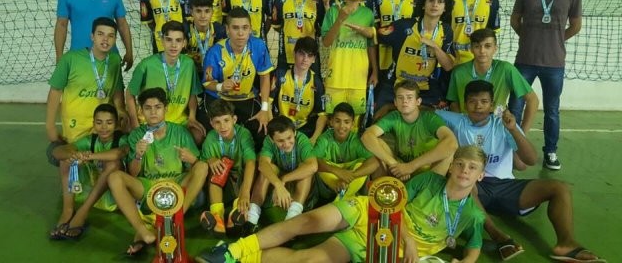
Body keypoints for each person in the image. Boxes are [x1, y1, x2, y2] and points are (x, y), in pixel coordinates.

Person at [198, 145, 487, 263]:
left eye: (472, 168)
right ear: (450, 168)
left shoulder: (472, 214)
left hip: (385, 245)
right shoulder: (427, 182)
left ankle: (245, 257)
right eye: (460, 164)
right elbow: (393, 204)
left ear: (481, 175)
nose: (464, 171)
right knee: (306, 221)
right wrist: (409, 239)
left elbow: (473, 246)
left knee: (309, 260)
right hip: (372, 213)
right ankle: (232, 251)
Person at [437, 80, 606, 262]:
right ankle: (499, 237)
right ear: (465, 104)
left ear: (492, 104)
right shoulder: (456, 120)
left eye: (484, 102)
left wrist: (513, 130)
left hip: (505, 185)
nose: (478, 106)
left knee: (559, 188)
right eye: (472, 101)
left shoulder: (503, 123)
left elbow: (531, 160)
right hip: (475, 186)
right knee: (463, 182)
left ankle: (566, 244)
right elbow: (424, 113)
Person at [108, 87, 208, 256]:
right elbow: (133, 174)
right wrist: (138, 155)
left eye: (158, 107)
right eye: (148, 108)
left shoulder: (180, 132)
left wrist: (192, 160)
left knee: (202, 166)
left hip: (177, 185)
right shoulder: (136, 136)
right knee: (114, 177)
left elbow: (196, 168)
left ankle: (177, 218)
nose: (153, 112)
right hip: (148, 187)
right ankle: (143, 231)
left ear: (165, 109)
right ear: (141, 110)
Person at [508, 0, 583, 171]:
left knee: (552, 109)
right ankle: (511, 147)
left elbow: (576, 25)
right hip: (525, 61)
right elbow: (514, 21)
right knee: (515, 105)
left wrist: (557, 40)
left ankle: (550, 151)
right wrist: (529, 38)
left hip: (554, 64)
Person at [48, 104, 128, 240]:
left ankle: (81, 214)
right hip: (87, 191)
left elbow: (118, 154)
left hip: (112, 199)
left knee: (113, 164)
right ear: (93, 124)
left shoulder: (123, 139)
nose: (103, 127)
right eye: (99, 123)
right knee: (65, 160)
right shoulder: (90, 140)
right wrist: (74, 155)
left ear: (116, 124)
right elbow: (57, 152)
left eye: (109, 123)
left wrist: (88, 156)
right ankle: (67, 211)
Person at [46, 17, 126, 146]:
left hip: (103, 125)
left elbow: (117, 89)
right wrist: (50, 127)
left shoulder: (115, 60)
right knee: (73, 161)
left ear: (115, 39)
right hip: (77, 125)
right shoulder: (70, 59)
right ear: (92, 37)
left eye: (110, 36)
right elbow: (55, 91)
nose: (105, 39)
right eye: (100, 34)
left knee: (105, 160)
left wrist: (120, 109)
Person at [375, 0, 454, 114]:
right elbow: (377, 34)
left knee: (431, 122)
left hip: (425, 88)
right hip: (396, 84)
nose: (435, 4)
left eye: (440, 1)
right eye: (431, 0)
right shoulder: (404, 25)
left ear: (445, 8)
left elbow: (448, 66)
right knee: (378, 117)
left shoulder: (446, 31)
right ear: (423, 5)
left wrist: (435, 47)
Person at [202, 7, 274, 145]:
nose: (241, 33)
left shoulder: (258, 46)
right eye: (235, 28)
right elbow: (207, 83)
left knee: (262, 131)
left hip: (246, 98)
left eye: (245, 27)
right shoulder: (215, 51)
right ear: (227, 29)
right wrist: (220, 86)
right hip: (220, 99)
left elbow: (265, 78)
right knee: (215, 133)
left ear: (250, 29)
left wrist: (265, 109)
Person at [126, 21, 206, 144]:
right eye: (169, 40)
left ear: (184, 43)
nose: (173, 45)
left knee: (197, 136)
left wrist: (192, 117)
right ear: (162, 40)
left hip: (179, 120)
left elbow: (192, 94)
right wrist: (134, 123)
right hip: (150, 121)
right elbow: (129, 94)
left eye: (178, 40)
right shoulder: (146, 65)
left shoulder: (188, 64)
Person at [447, 28, 539, 133]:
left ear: (495, 48)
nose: (482, 51)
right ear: (471, 48)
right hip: (468, 126)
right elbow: (454, 104)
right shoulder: (459, 72)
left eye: (487, 46)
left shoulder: (506, 69)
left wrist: (522, 133)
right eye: (477, 46)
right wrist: (459, 128)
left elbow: (533, 100)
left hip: (497, 126)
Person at [361, 80, 457, 180]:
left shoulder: (430, 118)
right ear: (395, 102)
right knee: (377, 144)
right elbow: (367, 136)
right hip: (400, 168)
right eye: (400, 97)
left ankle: (429, 190)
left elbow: (452, 143)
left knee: (448, 153)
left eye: (409, 97)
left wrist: (411, 166)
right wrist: (394, 164)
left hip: (427, 171)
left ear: (418, 101)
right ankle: (384, 188)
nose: (404, 101)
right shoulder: (393, 117)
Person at [243, 116, 317, 232]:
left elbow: (313, 166)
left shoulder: (302, 140)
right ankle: (251, 220)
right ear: (272, 140)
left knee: (306, 169)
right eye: (280, 141)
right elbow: (262, 164)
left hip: (297, 181)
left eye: (289, 138)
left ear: (295, 133)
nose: (287, 144)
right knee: (267, 168)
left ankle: (292, 219)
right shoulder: (268, 141)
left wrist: (283, 180)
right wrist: (278, 185)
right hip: (278, 179)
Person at [321, 0, 378, 120]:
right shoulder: (333, 11)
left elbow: (371, 45)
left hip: (358, 78)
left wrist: (375, 71)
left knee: (354, 122)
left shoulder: (368, 15)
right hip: (336, 77)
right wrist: (340, 20)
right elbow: (326, 42)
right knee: (333, 120)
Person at [200, 99, 257, 236]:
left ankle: (236, 212)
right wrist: (210, 160)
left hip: (239, 177)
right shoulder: (211, 138)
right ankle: (217, 215)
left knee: (248, 172)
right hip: (221, 181)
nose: (223, 126)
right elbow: (201, 162)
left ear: (234, 119)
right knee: (214, 172)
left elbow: (250, 162)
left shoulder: (243, 134)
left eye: (226, 120)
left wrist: (245, 192)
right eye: (217, 122)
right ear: (211, 124)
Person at [313, 102, 378, 201]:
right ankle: (341, 200)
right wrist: (338, 171)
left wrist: (349, 176)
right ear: (331, 122)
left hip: (351, 183)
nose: (342, 126)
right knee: (318, 164)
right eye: (337, 121)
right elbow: (313, 160)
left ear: (352, 124)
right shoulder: (324, 139)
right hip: (330, 185)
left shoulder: (356, 140)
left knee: (361, 165)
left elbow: (374, 162)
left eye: (346, 122)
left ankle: (340, 200)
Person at [271, 0, 325, 72]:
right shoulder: (280, 0)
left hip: (310, 59)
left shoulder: (319, 0)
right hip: (286, 58)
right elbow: (277, 27)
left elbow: (323, 28)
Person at [271, 37, 327, 143]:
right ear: (294, 54)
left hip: (304, 130)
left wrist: (314, 138)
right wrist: (271, 131)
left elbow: (322, 115)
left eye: (309, 55)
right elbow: (267, 104)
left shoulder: (316, 83)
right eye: (302, 54)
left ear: (314, 59)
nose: (305, 59)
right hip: (281, 127)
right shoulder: (280, 75)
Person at [373, 0, 416, 86]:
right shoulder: (379, 0)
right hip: (383, 54)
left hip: (405, 54)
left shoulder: (415, 1)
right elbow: (375, 28)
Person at [186, 0, 227, 75]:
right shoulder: (185, 30)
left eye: (207, 11)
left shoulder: (220, 30)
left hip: (213, 72)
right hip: (190, 73)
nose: (203, 16)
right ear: (191, 12)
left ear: (212, 12)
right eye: (198, 11)